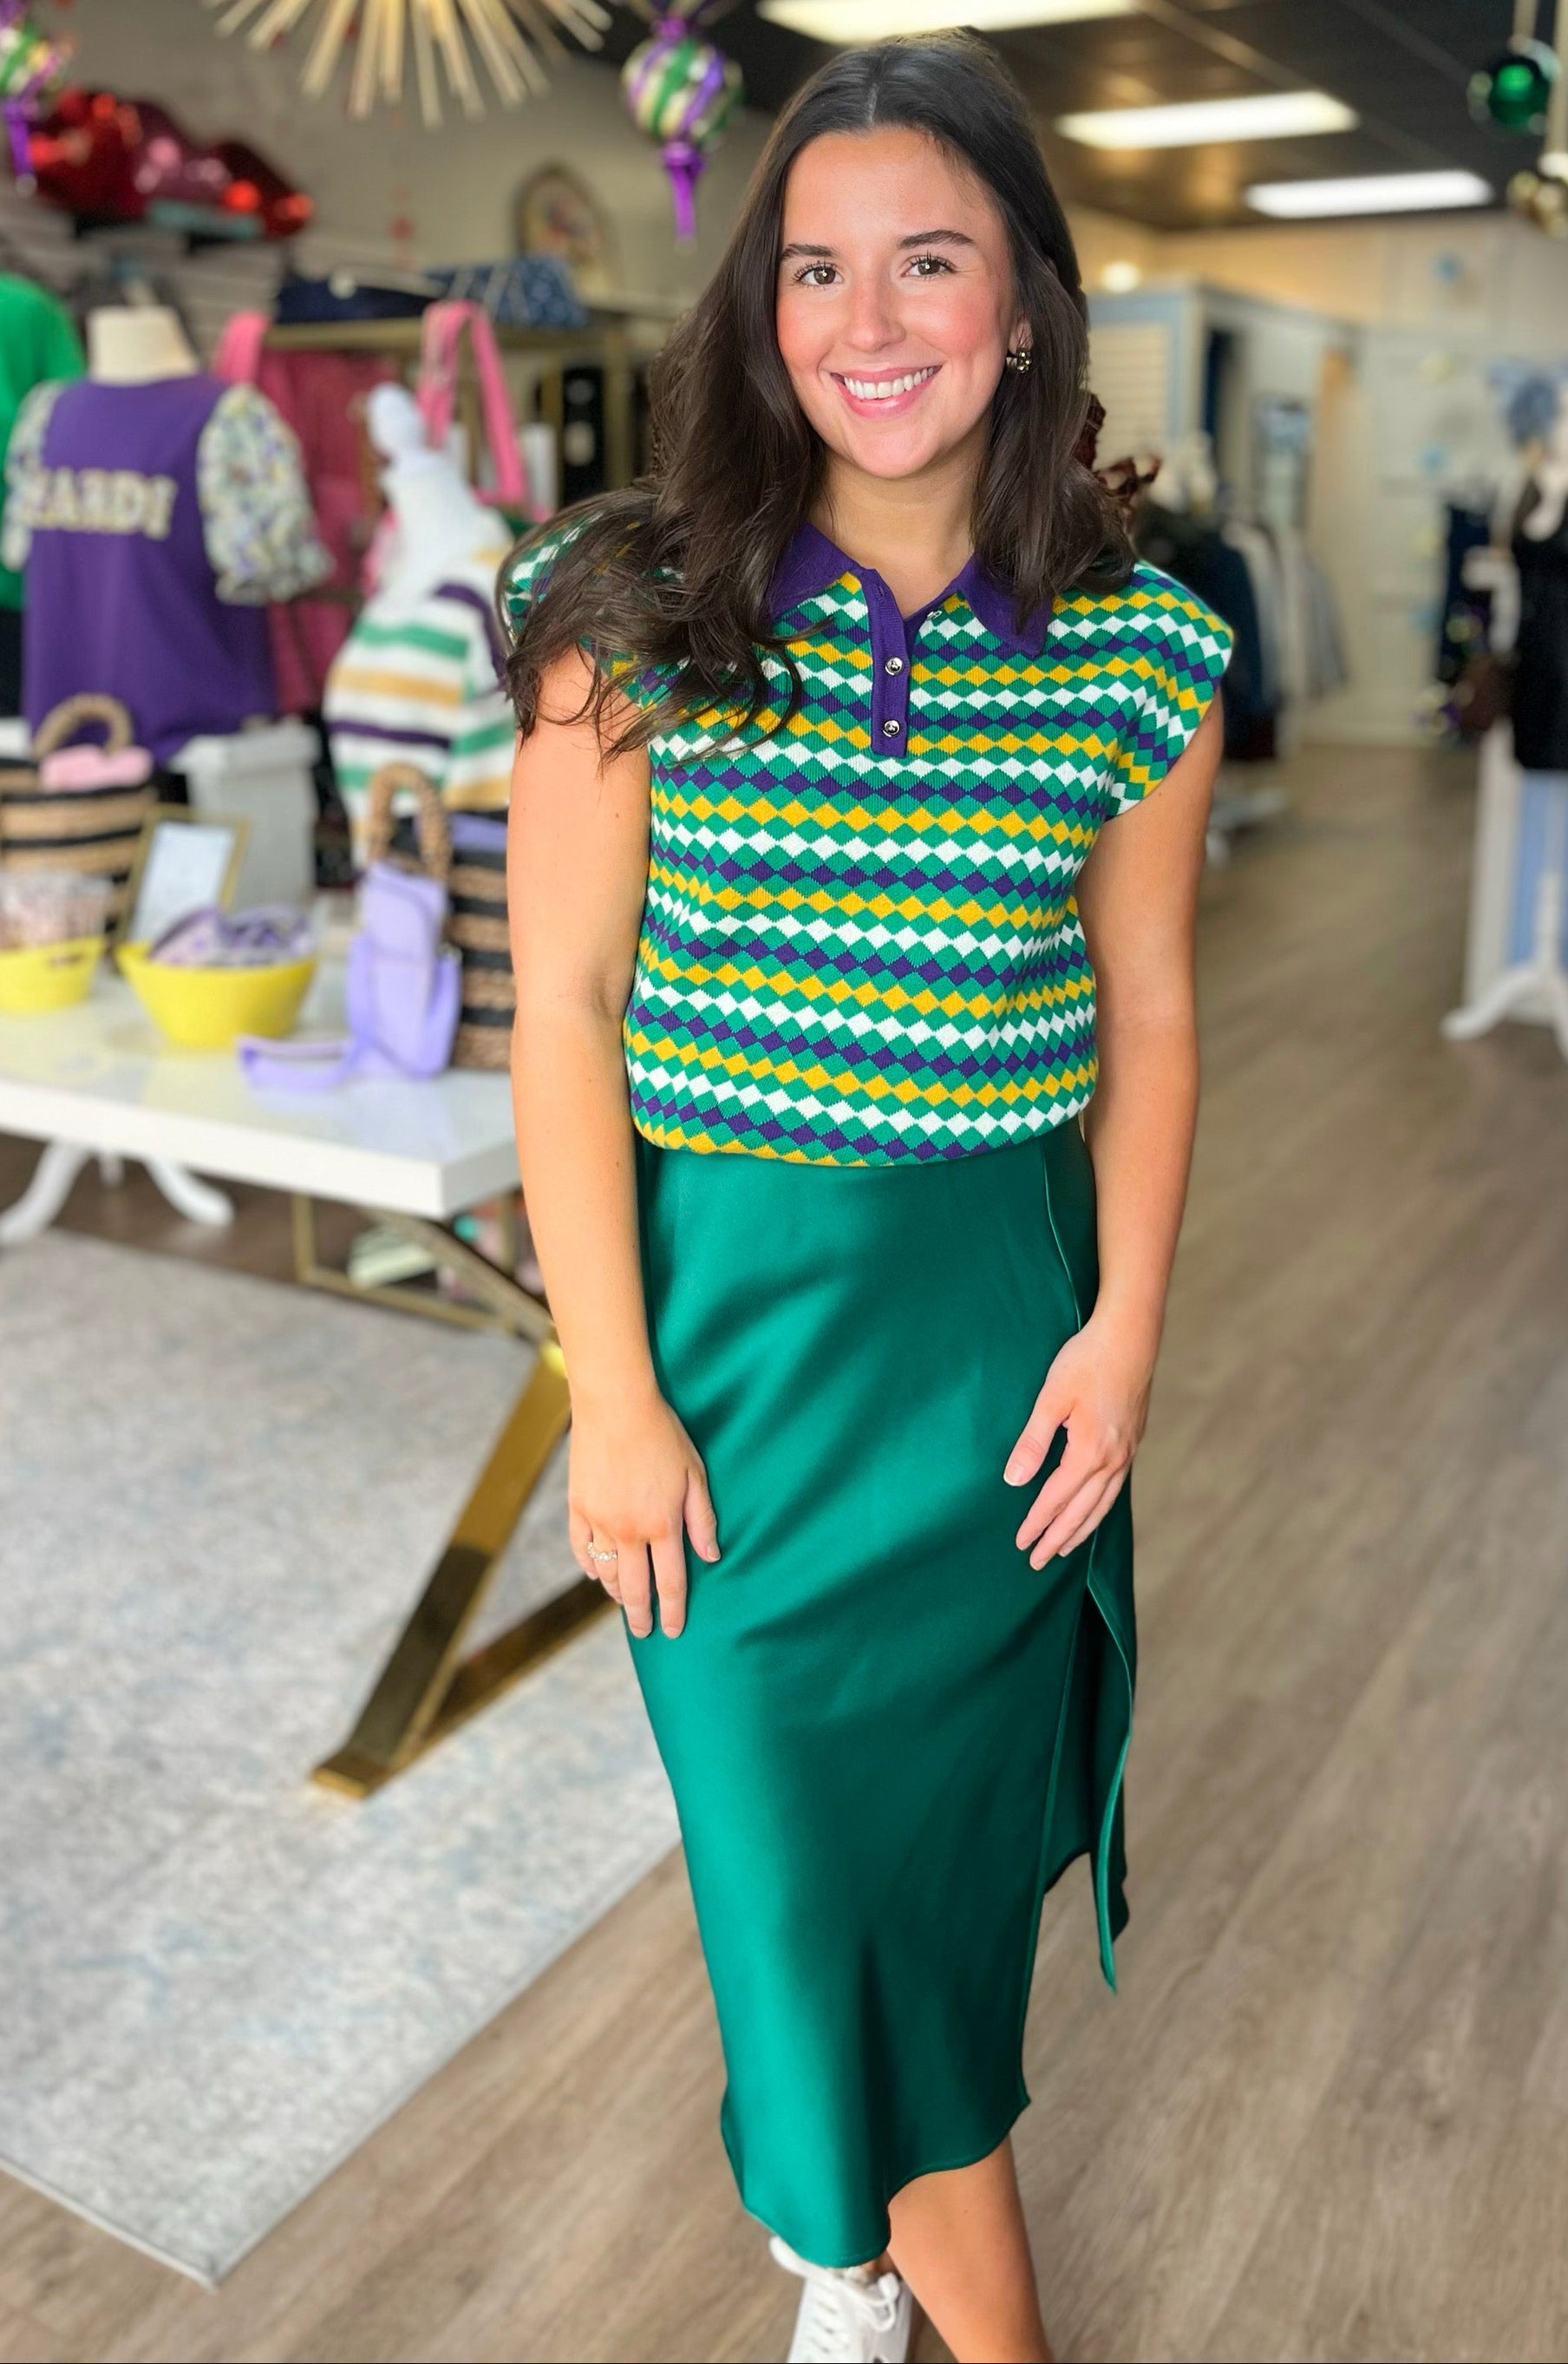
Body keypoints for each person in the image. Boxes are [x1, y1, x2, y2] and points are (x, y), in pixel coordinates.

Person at [501, 35, 1230, 2364]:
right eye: (815, 266)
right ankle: (910, 2275)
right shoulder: (616, 611)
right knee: (789, 1868)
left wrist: (1119, 1331)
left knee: (912, 1886)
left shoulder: (1148, 643)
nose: (870, 314)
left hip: (993, 1342)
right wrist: (606, 1390)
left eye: (929, 257)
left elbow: (1151, 1018)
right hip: (726, 1347)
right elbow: (564, 1016)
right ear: (757, 312)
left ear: (1025, 299)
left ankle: (861, 2273)